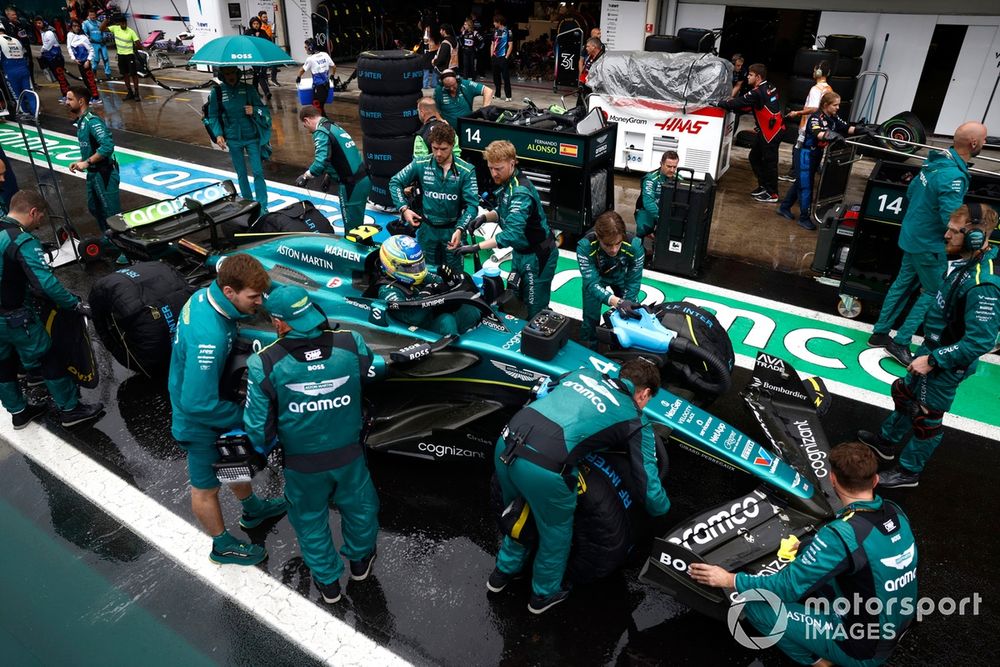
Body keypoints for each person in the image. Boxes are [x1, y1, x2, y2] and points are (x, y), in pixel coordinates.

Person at [690, 442, 917, 667]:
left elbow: (787, 586)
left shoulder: (841, 534)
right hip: (895, 623)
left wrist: (730, 579)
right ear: (875, 480)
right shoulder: (895, 512)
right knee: (811, 552)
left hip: (863, 649)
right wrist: (808, 548)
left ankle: (819, 661)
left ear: (833, 480)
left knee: (751, 604)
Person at [489, 359, 670, 614]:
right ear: (644, 393)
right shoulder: (635, 419)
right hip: (544, 468)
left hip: (505, 445)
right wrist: (664, 512)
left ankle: (502, 573)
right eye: (647, 399)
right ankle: (543, 595)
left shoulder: (580, 372)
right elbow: (649, 487)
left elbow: (546, 391)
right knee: (555, 532)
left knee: (518, 511)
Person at [244, 285, 379, 603]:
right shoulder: (351, 341)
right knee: (361, 509)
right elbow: (366, 373)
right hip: (350, 455)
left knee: (309, 520)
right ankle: (360, 563)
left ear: (279, 323)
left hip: (302, 464)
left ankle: (328, 584)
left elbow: (257, 430)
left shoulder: (263, 363)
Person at [859, 203, 999, 488]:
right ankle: (887, 441)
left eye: (953, 231)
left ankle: (908, 471)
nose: (946, 235)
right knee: (905, 394)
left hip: (946, 362)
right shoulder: (965, 261)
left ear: (975, 236)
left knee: (927, 418)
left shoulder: (983, 285)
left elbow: (979, 341)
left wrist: (933, 360)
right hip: (932, 348)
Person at [169, 253, 288, 566]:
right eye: (254, 297)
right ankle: (221, 546)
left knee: (232, 456)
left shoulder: (205, 293)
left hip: (213, 396)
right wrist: (249, 419)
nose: (259, 302)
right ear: (229, 293)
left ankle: (252, 509)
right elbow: (197, 403)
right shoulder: (208, 338)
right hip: (197, 416)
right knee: (205, 488)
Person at [867, 122, 988, 366]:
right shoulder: (953, 175)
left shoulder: (934, 162)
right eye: (984, 140)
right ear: (974, 143)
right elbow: (950, 218)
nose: (985, 144)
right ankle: (901, 342)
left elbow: (911, 193)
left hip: (911, 235)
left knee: (902, 285)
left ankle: (879, 333)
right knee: (933, 292)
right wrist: (974, 238)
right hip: (929, 244)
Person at [0, 190, 104, 429]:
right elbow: (45, 283)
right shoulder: (21, 240)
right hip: (14, 315)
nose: (40, 224)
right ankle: (70, 410)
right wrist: (74, 304)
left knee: (3, 364)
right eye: (40, 218)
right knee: (50, 355)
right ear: (33, 212)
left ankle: (18, 412)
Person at [450, 140, 558, 318]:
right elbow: (503, 209)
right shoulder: (508, 183)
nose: (494, 173)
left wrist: (477, 247)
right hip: (521, 253)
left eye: (498, 168)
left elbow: (511, 235)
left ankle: (538, 336)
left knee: (534, 307)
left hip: (538, 256)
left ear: (512, 163)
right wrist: (484, 217)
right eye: (491, 168)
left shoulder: (520, 192)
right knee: (514, 295)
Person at [390, 123, 478, 273]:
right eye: (434, 148)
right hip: (427, 230)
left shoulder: (466, 171)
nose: (438, 154)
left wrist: (460, 229)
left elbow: (472, 206)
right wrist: (404, 209)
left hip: (452, 232)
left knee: (455, 276)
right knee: (425, 273)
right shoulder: (420, 164)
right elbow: (395, 182)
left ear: (452, 145)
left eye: (443, 149)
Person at [779, 92, 866, 231]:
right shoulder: (815, 117)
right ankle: (804, 218)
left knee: (801, 182)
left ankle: (784, 207)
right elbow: (817, 133)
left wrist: (864, 130)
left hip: (816, 154)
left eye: (838, 104)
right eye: (835, 105)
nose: (838, 107)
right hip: (805, 153)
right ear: (826, 105)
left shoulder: (832, 117)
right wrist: (832, 135)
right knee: (806, 186)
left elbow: (847, 128)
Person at [376, 235, 482, 336]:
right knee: (446, 321)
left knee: (468, 306)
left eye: (418, 264)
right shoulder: (388, 291)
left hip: (431, 315)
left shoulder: (421, 275)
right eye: (410, 267)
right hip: (416, 328)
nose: (417, 271)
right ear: (392, 266)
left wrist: (449, 281)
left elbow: (439, 282)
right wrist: (426, 295)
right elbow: (413, 318)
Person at [66, 87, 122, 263]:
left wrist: (87, 162)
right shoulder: (82, 121)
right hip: (93, 173)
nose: (66, 102)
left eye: (69, 99)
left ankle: (126, 249)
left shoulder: (92, 121)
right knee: (94, 207)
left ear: (81, 101)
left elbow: (107, 146)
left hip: (104, 174)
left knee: (112, 213)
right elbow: (91, 147)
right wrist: (80, 160)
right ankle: (111, 238)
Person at [207, 66, 271, 212]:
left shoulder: (249, 89)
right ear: (222, 75)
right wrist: (218, 134)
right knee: (241, 173)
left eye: (233, 73)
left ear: (238, 73)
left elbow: (264, 110)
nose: (231, 76)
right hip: (233, 139)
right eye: (227, 73)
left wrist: (254, 110)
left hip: (252, 137)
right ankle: (248, 203)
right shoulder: (216, 92)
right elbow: (213, 116)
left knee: (258, 172)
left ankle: (263, 205)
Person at [716, 63, 783, 203]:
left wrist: (718, 103)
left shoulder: (757, 92)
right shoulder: (770, 86)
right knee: (754, 157)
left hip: (771, 133)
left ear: (758, 77)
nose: (747, 77)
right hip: (767, 130)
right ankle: (764, 186)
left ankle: (772, 193)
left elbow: (738, 103)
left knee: (770, 163)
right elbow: (755, 105)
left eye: (751, 75)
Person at [576, 211, 644, 347]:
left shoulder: (635, 246)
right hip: (596, 278)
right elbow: (591, 283)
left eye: (618, 243)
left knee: (630, 313)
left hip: (621, 277)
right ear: (598, 237)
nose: (613, 249)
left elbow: (633, 281)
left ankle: (622, 348)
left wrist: (626, 303)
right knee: (590, 319)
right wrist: (617, 302)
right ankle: (588, 352)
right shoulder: (585, 246)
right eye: (608, 245)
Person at [298, 105, 369, 230]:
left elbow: (321, 162)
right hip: (362, 179)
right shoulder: (334, 127)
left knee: (352, 230)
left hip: (351, 186)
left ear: (307, 120)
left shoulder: (321, 131)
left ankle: (359, 248)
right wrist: (329, 175)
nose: (308, 130)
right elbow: (339, 154)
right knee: (359, 227)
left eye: (305, 126)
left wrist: (306, 176)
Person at [780, 60, 831, 184]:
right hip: (820, 126)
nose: (813, 72)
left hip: (808, 126)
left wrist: (797, 113)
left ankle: (794, 174)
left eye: (814, 70)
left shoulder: (816, 89)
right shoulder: (828, 88)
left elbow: (813, 108)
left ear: (818, 72)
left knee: (798, 149)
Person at [634, 150, 683, 238]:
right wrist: (662, 218)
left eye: (674, 167)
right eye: (669, 166)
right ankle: (640, 247)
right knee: (643, 228)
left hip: (668, 212)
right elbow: (648, 203)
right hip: (647, 211)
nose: (672, 170)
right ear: (661, 164)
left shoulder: (679, 179)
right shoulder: (651, 179)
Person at [101, 13, 140, 100]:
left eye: (125, 23)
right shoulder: (115, 28)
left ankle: (136, 93)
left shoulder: (131, 31)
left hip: (130, 56)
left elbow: (139, 44)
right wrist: (105, 21)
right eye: (122, 23)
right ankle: (130, 92)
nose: (124, 25)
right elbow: (102, 29)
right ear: (119, 23)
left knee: (133, 74)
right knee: (125, 74)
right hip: (121, 56)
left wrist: (134, 48)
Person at [0, 24, 33, 114]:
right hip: (23, 68)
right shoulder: (16, 40)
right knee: (29, 92)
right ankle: (36, 111)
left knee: (17, 95)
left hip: (10, 71)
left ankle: (25, 112)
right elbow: (24, 53)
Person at [296, 38, 334, 117]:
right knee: (320, 107)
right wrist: (332, 75)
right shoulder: (325, 54)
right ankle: (323, 124)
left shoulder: (310, 59)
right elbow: (334, 67)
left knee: (318, 108)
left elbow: (301, 70)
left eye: (305, 47)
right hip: (326, 85)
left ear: (310, 47)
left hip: (319, 88)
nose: (305, 49)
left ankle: (325, 124)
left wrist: (298, 77)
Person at [36, 17, 70, 102]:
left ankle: (66, 95)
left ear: (44, 22)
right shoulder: (43, 32)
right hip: (52, 59)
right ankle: (68, 92)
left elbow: (47, 46)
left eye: (39, 23)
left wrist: (41, 50)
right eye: (36, 23)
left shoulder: (49, 32)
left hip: (56, 59)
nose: (38, 25)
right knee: (60, 78)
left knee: (60, 78)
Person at [67, 20, 101, 103]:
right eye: (74, 26)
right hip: (79, 62)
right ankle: (91, 96)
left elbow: (91, 50)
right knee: (86, 80)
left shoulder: (84, 37)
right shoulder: (70, 35)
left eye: (78, 26)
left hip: (86, 62)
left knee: (90, 80)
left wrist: (88, 60)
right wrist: (74, 58)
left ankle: (96, 97)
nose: (76, 28)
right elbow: (69, 48)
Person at [2, 7, 33, 84]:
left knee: (30, 64)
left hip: (26, 47)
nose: (15, 16)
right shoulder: (7, 27)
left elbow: (26, 34)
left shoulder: (20, 23)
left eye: (15, 14)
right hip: (17, 50)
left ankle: (33, 82)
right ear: (7, 15)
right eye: (12, 15)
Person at [245, 17, 271, 102]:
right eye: (254, 24)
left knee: (258, 74)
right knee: (259, 73)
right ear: (251, 24)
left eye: (257, 24)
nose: (256, 25)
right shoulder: (248, 33)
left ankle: (254, 91)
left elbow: (268, 42)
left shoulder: (262, 32)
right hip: (253, 56)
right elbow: (245, 43)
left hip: (262, 55)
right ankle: (267, 92)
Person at [82, 8, 111, 80]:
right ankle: (94, 75)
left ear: (95, 15)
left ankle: (108, 75)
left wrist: (104, 38)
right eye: (90, 15)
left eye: (93, 14)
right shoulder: (85, 23)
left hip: (102, 44)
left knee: (106, 59)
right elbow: (84, 33)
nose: (92, 16)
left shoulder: (98, 23)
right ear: (88, 15)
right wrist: (88, 39)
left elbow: (103, 31)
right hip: (93, 44)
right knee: (96, 60)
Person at [491, 15, 513, 102]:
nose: (493, 24)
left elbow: (510, 45)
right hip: (495, 57)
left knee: (505, 77)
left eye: (495, 22)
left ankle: (508, 96)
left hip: (503, 57)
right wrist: (492, 55)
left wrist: (506, 57)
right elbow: (493, 43)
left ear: (499, 22)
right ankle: (497, 94)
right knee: (496, 77)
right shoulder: (496, 31)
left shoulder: (508, 31)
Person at [257, 10, 280, 86]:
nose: (266, 18)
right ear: (260, 18)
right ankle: (265, 80)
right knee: (264, 66)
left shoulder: (268, 25)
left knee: (275, 63)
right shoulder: (259, 27)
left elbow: (269, 36)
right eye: (264, 17)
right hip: (263, 48)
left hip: (269, 46)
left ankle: (273, 79)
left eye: (266, 17)